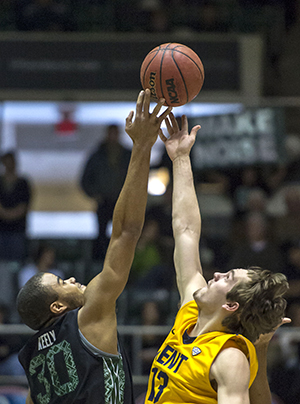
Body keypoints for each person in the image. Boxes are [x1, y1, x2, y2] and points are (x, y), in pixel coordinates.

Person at [16, 89, 172, 404]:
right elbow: (127, 231)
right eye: (61, 282)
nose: (72, 279)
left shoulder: (32, 360)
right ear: (57, 307)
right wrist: (142, 146)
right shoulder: (89, 314)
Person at [144, 113, 290, 404]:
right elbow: (185, 230)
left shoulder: (230, 356)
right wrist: (181, 159)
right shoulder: (189, 315)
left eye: (228, 278)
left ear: (230, 305)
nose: (217, 274)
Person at [80, 123, 132, 260]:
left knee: (123, 232)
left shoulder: (126, 155)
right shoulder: (98, 156)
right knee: (101, 234)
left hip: (121, 201)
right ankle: (100, 260)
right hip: (104, 201)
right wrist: (95, 194)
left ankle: (120, 260)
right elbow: (85, 179)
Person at [0, 151, 32, 261]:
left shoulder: (22, 183)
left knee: (17, 263)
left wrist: (7, 214)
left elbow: (23, 207)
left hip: (17, 231)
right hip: (2, 230)